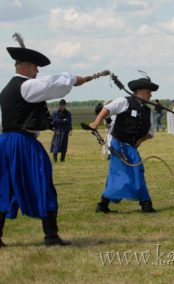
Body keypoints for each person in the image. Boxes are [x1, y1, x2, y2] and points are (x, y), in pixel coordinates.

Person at [0, 34, 85, 247]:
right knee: (42, 183)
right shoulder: (26, 86)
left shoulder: (7, 89)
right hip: (22, 143)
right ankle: (51, 236)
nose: (37, 72)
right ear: (26, 67)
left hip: (5, 142)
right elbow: (52, 85)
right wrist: (73, 79)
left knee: (4, 187)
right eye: (35, 68)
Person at [90, 77, 159, 214]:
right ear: (139, 91)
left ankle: (144, 204)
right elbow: (107, 109)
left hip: (131, 148)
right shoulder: (124, 102)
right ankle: (105, 204)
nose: (150, 95)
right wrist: (96, 123)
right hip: (118, 145)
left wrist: (140, 140)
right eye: (148, 92)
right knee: (118, 174)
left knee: (137, 171)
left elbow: (150, 133)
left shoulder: (147, 111)